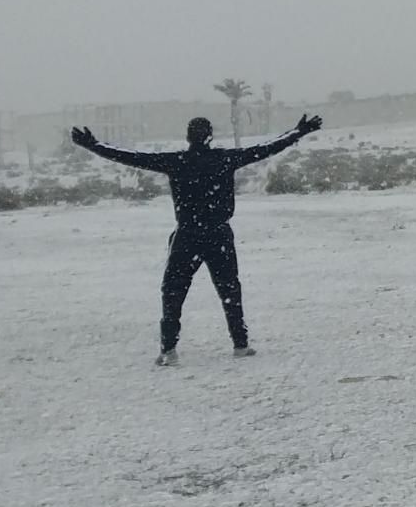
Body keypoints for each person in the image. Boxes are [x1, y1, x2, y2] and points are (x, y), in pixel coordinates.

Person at [71, 113, 323, 366]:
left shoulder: (176, 161)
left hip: (187, 235)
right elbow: (266, 149)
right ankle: (240, 344)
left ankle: (168, 349)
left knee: (173, 290)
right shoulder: (225, 158)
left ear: (188, 137)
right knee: (229, 289)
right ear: (210, 137)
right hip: (218, 233)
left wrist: (93, 146)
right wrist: (298, 132)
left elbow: (131, 157)